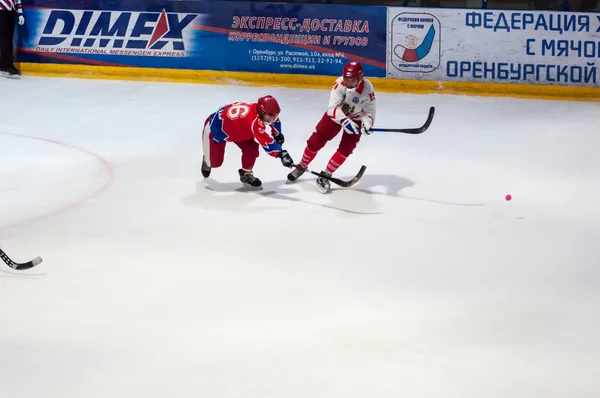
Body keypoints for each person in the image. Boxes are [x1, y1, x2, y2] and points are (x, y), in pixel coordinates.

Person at [287, 61, 376, 193]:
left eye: (352, 80)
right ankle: (302, 165)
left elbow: (369, 111)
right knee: (316, 140)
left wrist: (367, 123)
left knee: (347, 148)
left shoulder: (367, 88)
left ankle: (326, 174)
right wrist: (345, 121)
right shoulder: (339, 83)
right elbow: (332, 108)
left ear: (360, 78)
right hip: (337, 115)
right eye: (346, 79)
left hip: (356, 118)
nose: (348, 82)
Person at [201, 95, 294, 188]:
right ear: (261, 112)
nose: (272, 120)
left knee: (251, 148)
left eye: (274, 116)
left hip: (239, 129)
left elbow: (274, 119)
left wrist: (276, 133)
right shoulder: (255, 122)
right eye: (270, 117)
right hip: (215, 130)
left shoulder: (264, 112)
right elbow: (267, 143)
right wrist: (281, 154)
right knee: (215, 163)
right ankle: (207, 158)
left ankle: (246, 174)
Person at [0, 0, 25, 77]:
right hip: (1, 11)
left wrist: (20, 13)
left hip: (11, 12)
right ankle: (6, 66)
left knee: (9, 39)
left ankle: (4, 65)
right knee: (4, 40)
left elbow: (17, 0)